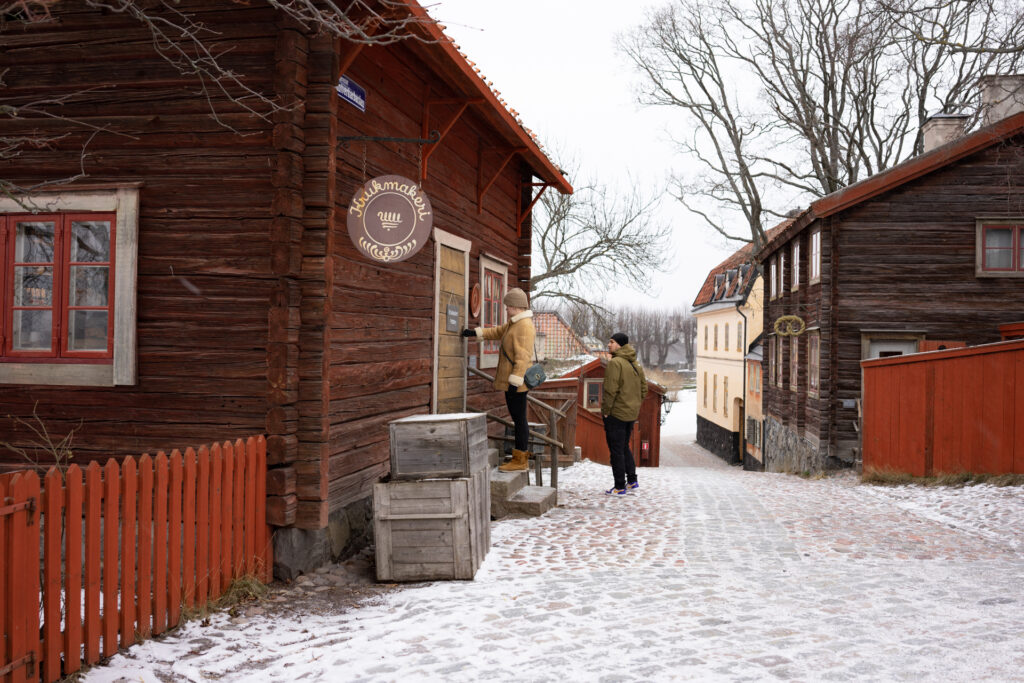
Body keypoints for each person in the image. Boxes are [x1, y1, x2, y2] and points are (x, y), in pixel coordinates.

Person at [461, 287, 536, 471]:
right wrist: (475, 333)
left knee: (519, 421)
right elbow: (497, 332)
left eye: (508, 306)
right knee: (518, 419)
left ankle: (520, 460)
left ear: (516, 306)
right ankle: (519, 457)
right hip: (513, 381)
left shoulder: (524, 326)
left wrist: (515, 381)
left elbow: (523, 356)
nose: (506, 309)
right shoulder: (515, 323)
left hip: (516, 383)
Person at [602, 332, 647, 495]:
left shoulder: (616, 363)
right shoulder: (635, 363)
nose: (609, 345)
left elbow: (610, 390)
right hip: (630, 414)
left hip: (616, 414)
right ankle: (632, 480)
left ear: (619, 345)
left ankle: (620, 486)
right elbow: (644, 388)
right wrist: (634, 404)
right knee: (624, 447)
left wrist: (606, 411)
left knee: (616, 451)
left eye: (611, 342)